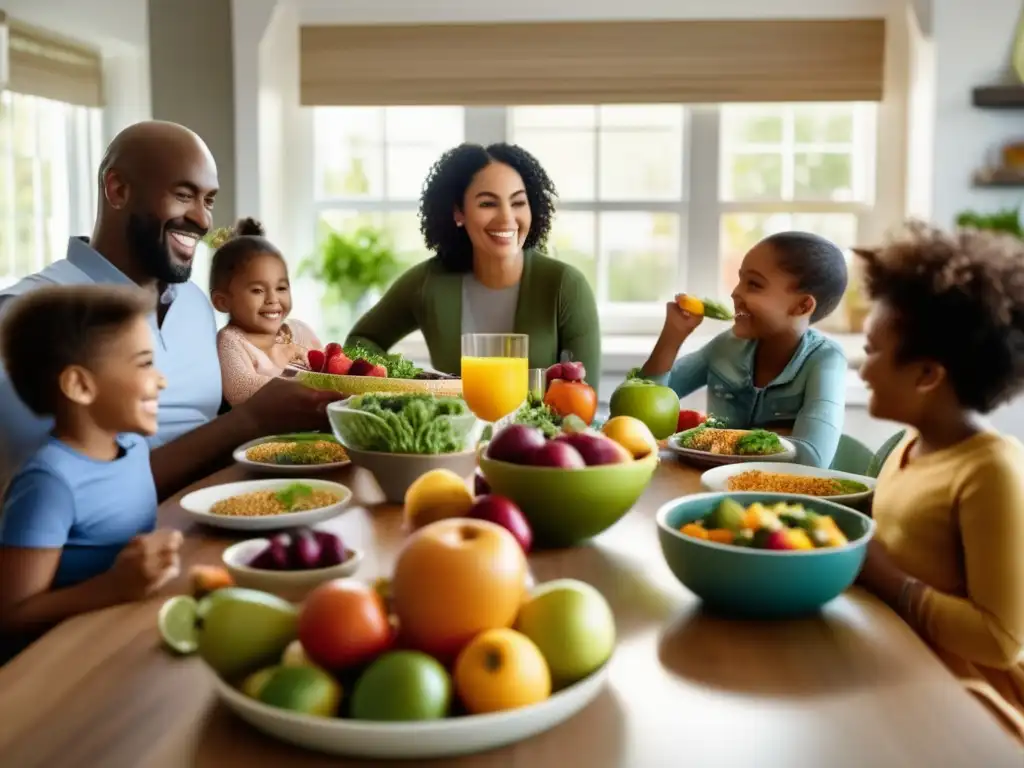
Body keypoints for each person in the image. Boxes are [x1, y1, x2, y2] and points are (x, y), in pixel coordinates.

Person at [0, 120, 341, 497]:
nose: (203, 219)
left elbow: (215, 423)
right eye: (183, 195)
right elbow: (56, 494)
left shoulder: (195, 302)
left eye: (208, 200)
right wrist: (251, 420)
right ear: (118, 189)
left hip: (222, 512)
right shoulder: (25, 313)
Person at [852, 222, 1024, 742]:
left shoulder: (991, 472)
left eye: (873, 350)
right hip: (892, 674)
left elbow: (1001, 640)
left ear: (928, 375)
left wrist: (886, 578)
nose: (862, 370)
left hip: (963, 713)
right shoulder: (911, 444)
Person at [0, 285, 183, 655]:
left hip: (124, 635)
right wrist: (114, 588)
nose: (161, 380)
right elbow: (11, 613)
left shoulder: (133, 447)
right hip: (62, 663)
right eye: (145, 363)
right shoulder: (49, 483)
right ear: (81, 385)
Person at [345, 142, 602, 388]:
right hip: (451, 432)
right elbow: (361, 341)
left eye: (518, 202)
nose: (506, 218)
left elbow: (583, 400)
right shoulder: (428, 282)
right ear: (459, 212)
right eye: (488, 203)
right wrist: (408, 379)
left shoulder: (566, 286)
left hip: (540, 434)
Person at [639, 231, 849, 468]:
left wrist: (712, 439)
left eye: (754, 284)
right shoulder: (726, 346)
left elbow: (811, 459)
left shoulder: (826, 360)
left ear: (802, 306)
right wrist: (672, 336)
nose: (735, 293)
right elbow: (639, 412)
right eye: (740, 280)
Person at [211, 218, 322, 406]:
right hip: (262, 434)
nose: (273, 299)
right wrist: (301, 382)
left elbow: (331, 372)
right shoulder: (231, 342)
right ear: (223, 302)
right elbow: (240, 390)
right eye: (257, 290)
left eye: (281, 288)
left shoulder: (300, 332)